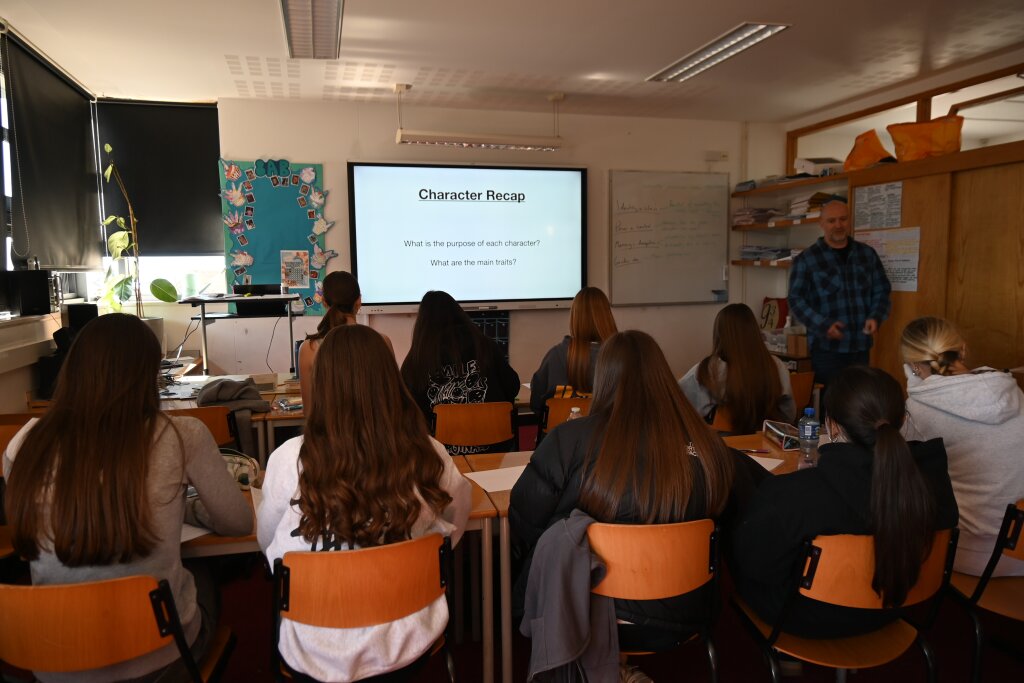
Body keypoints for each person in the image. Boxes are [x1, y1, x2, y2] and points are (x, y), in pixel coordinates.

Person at [3, 313, 253, 683]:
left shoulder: (24, 443)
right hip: (158, 660)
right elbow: (238, 524)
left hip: (54, 662)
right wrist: (186, 507)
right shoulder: (181, 435)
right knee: (201, 573)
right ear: (148, 374)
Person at [511, 330, 765, 676]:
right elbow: (740, 518)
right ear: (664, 377)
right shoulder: (708, 447)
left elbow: (524, 520)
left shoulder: (568, 440)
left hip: (590, 609)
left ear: (604, 380)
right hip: (687, 607)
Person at [259, 324, 471, 682]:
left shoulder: (289, 459)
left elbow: (268, 546)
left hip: (313, 647)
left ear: (323, 385)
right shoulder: (429, 453)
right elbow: (453, 523)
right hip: (408, 639)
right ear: (389, 380)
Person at [732, 366, 958, 637]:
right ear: (902, 419)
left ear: (833, 425)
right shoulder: (934, 482)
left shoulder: (796, 495)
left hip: (804, 615)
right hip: (895, 605)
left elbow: (755, 564)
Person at [901, 316, 1024, 576]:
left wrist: (915, 385)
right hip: (1019, 549)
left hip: (967, 553)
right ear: (963, 350)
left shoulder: (918, 409)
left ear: (912, 364)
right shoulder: (1012, 392)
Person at [787, 198, 891, 397]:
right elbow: (796, 300)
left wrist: (875, 316)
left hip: (860, 346)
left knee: (859, 400)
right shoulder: (807, 259)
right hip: (827, 350)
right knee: (832, 401)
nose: (838, 225)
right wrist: (823, 324)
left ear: (849, 220)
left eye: (843, 219)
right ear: (821, 224)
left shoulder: (867, 254)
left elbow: (881, 289)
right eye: (831, 220)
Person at [400, 291, 520, 450]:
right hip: (496, 447)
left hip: (441, 453)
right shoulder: (485, 345)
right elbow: (513, 387)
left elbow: (407, 409)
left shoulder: (416, 359)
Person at [679, 303, 795, 432]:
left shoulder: (709, 369)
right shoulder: (776, 365)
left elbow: (680, 408)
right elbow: (788, 415)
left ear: (719, 334)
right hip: (765, 440)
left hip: (721, 442)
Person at [297, 270, 393, 410]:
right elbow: (392, 402)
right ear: (359, 301)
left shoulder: (309, 348)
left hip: (329, 425)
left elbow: (310, 412)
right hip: (376, 425)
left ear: (324, 302)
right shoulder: (383, 341)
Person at [530, 286, 617, 418]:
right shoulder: (624, 356)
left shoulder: (556, 355)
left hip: (561, 430)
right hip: (609, 430)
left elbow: (536, 404)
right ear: (607, 316)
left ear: (575, 318)